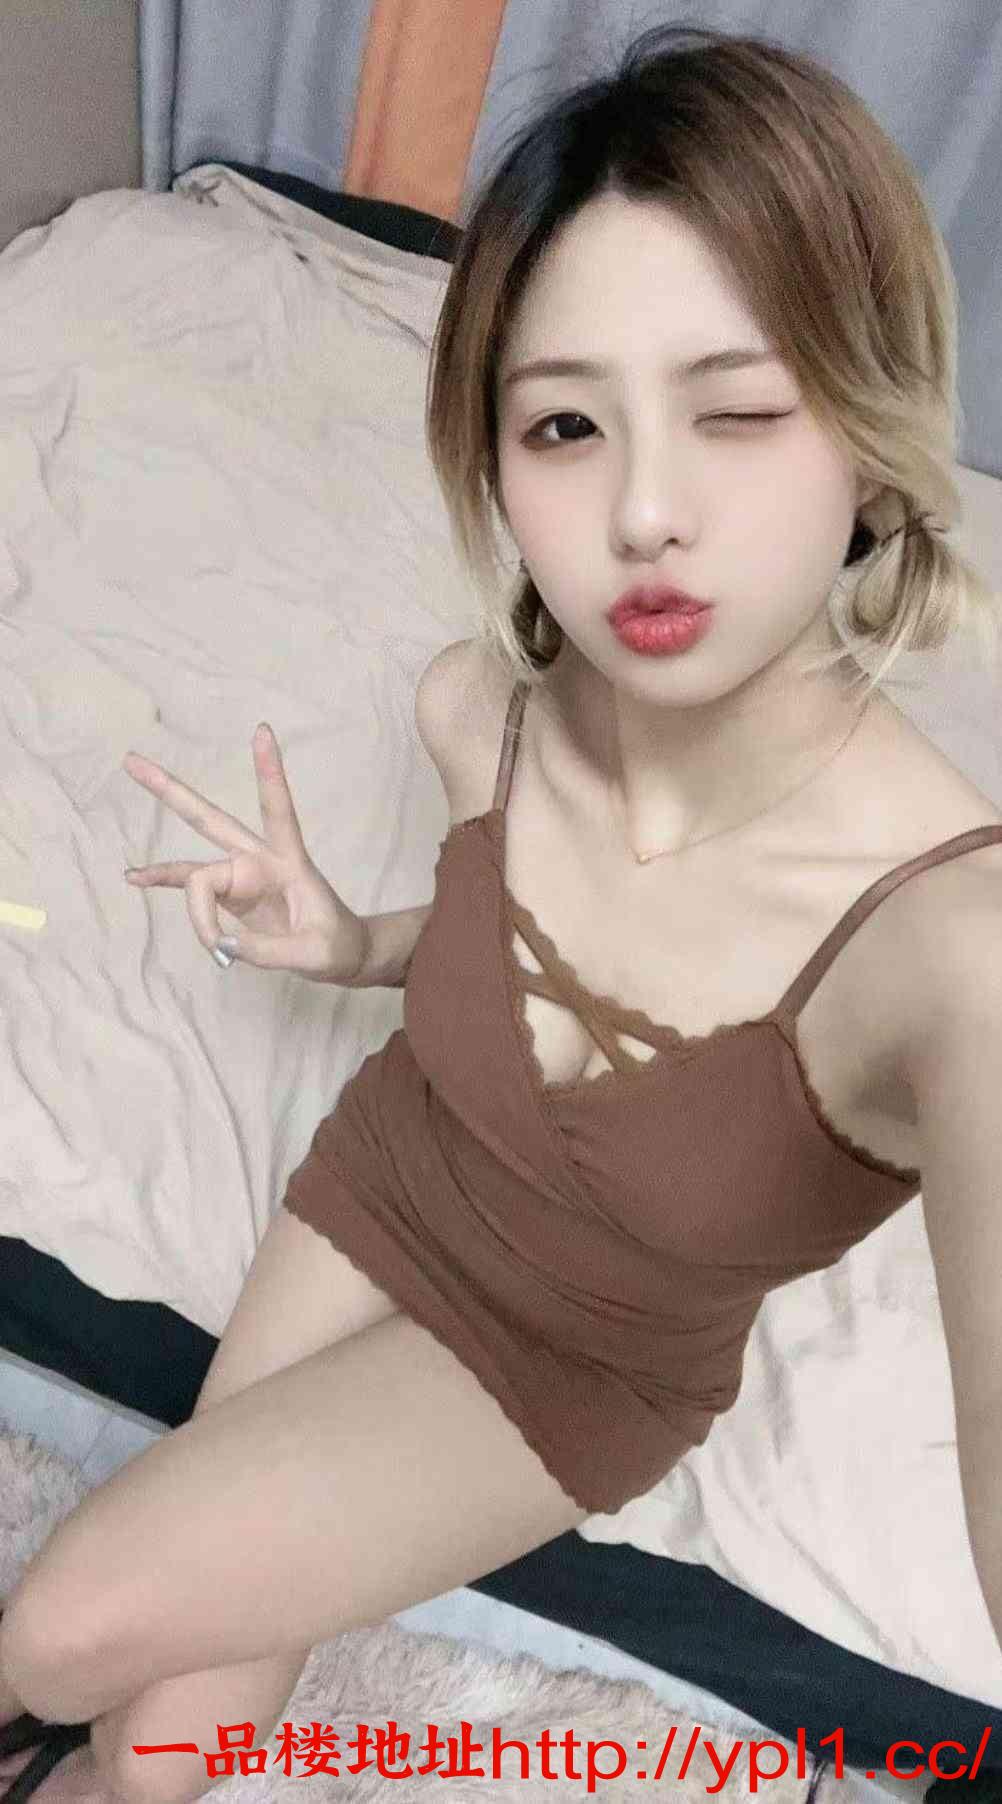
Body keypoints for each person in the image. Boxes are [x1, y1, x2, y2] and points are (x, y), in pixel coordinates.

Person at [2, 21, 1001, 1804]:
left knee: (65, 1640)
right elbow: (498, 947)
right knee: (158, 1756)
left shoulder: (949, 946)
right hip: (388, 1177)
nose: (641, 512)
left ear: (864, 435)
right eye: (562, 425)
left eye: (734, 410)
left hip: (568, 1366)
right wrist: (349, 944)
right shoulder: (488, 706)